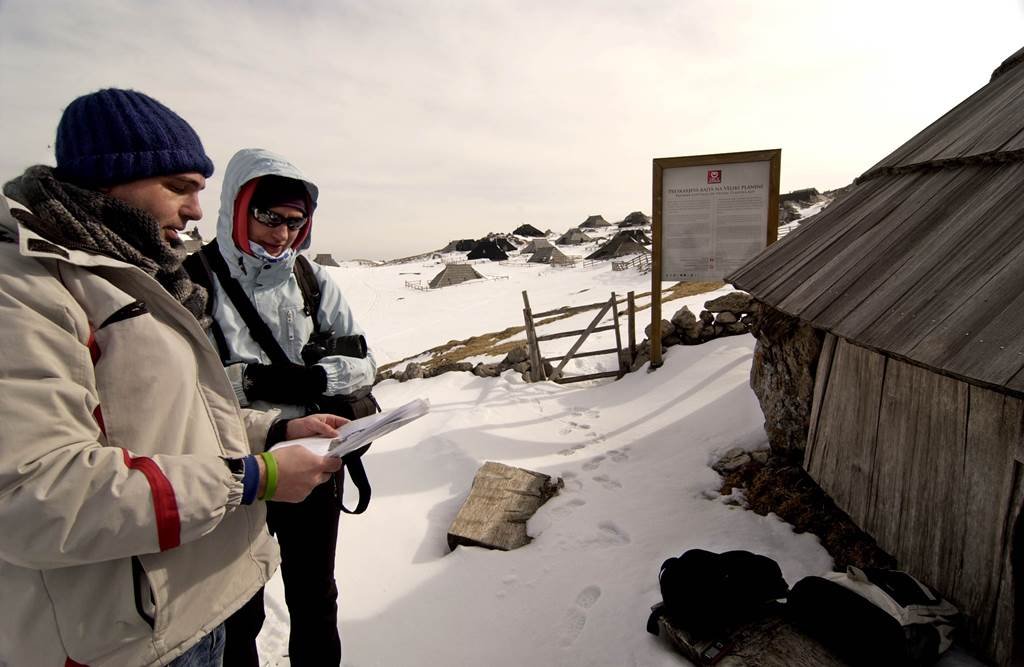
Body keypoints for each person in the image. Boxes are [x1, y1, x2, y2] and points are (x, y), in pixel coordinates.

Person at [0, 89, 345, 667]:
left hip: (187, 603)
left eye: (199, 192)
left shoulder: (138, 276)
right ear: (108, 177)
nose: (191, 210)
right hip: (120, 638)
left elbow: (175, 416)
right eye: (178, 187)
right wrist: (254, 477)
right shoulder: (27, 290)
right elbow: (35, 494)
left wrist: (271, 434)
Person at [186, 148, 378, 666]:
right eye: (268, 216)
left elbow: (365, 362)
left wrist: (318, 375)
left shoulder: (312, 281)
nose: (283, 233)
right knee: (236, 605)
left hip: (314, 458)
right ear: (237, 207)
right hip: (235, 461)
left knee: (315, 595)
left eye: (295, 221)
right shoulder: (192, 280)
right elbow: (180, 386)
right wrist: (254, 380)